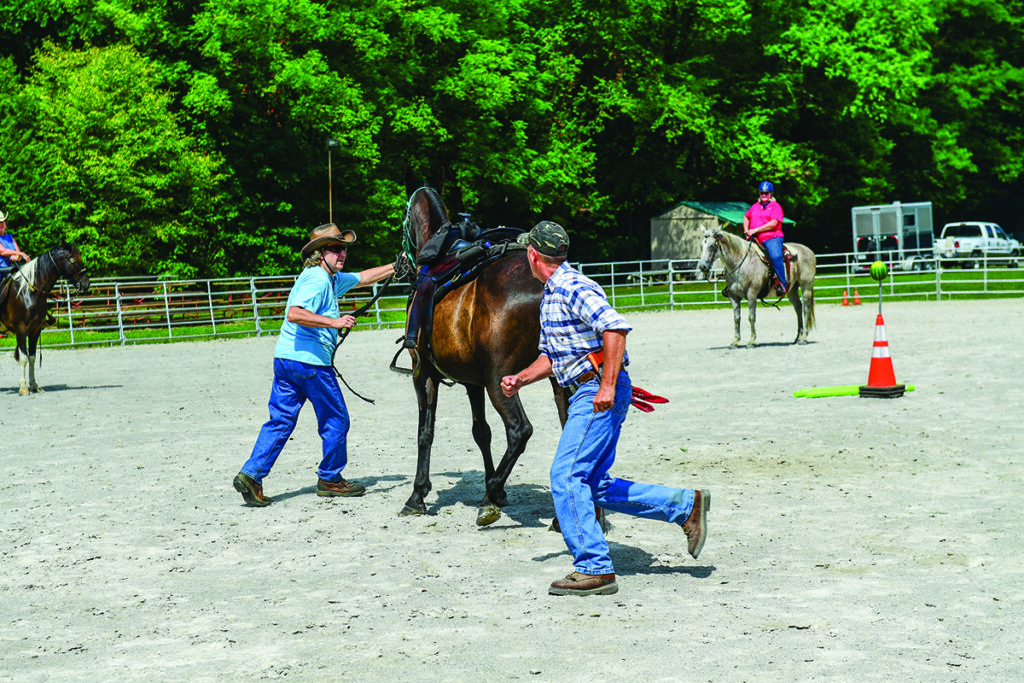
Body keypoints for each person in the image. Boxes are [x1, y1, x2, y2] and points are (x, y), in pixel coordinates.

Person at [500, 221, 710, 596]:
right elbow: (556, 355)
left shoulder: (572, 286)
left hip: (596, 390)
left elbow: (615, 328)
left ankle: (594, 567)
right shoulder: (553, 292)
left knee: (566, 477)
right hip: (590, 386)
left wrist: (608, 385)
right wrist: (522, 378)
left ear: (533, 254)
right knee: (594, 484)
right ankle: (683, 506)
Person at [232, 223, 395, 507]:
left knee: (280, 420)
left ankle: (251, 474)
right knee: (336, 419)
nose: (342, 253)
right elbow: (294, 313)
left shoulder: (329, 278)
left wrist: (400, 264)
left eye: (343, 248)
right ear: (320, 254)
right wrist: (334, 322)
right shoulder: (318, 280)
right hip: (310, 364)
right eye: (335, 248)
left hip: (286, 359)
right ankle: (330, 478)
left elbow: (364, 278)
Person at [743, 181, 787, 296]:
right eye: (762, 193)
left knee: (776, 256)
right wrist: (746, 231)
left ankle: (782, 283)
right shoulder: (755, 207)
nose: (764, 195)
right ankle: (734, 285)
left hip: (772, 237)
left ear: (771, 194)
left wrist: (755, 230)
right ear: (759, 193)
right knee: (739, 254)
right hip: (755, 237)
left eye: (766, 193)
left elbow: (773, 223)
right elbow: (746, 217)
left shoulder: (775, 207)